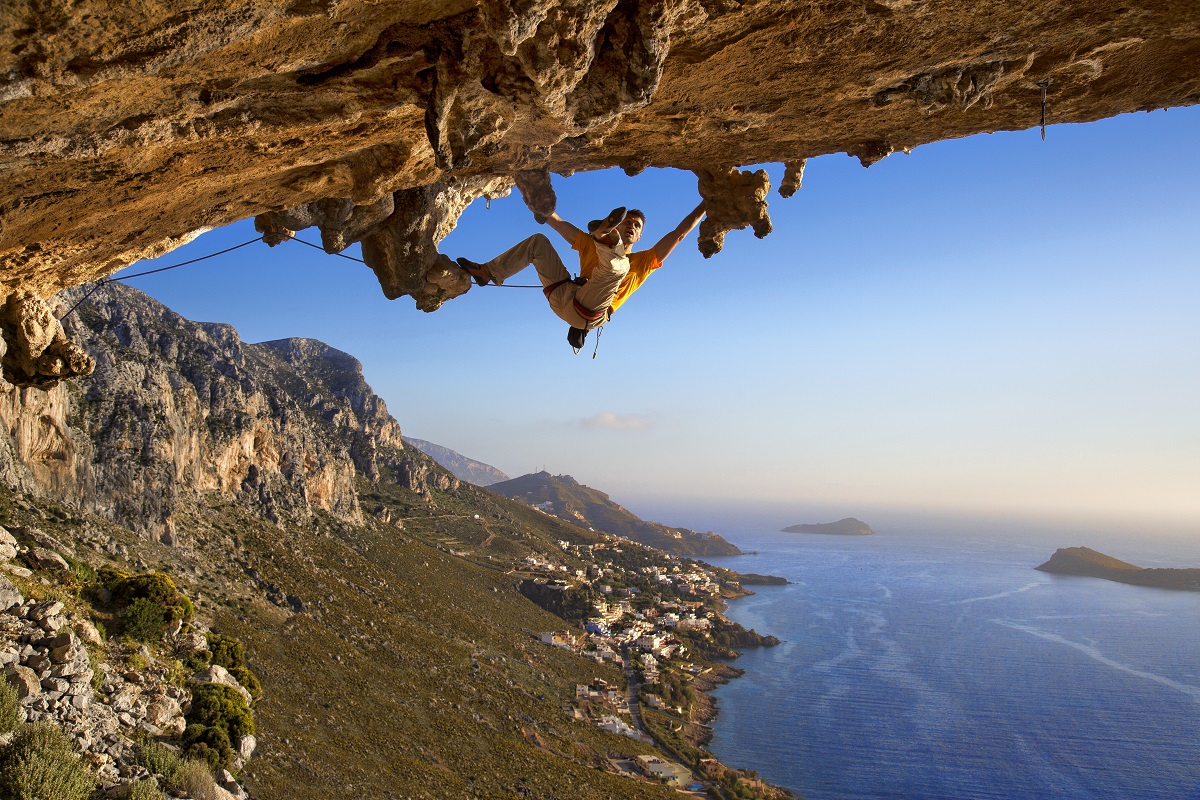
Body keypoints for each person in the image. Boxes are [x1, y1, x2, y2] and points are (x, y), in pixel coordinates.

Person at [456, 200, 706, 349]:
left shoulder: (642, 262)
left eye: (636, 225)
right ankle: (488, 273)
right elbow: (554, 220)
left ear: (639, 236)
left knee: (618, 267)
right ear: (617, 225)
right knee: (537, 242)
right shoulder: (586, 244)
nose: (631, 224)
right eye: (627, 221)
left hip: (591, 310)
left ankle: (604, 237)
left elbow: (679, 234)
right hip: (566, 296)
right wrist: (534, 196)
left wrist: (708, 202)